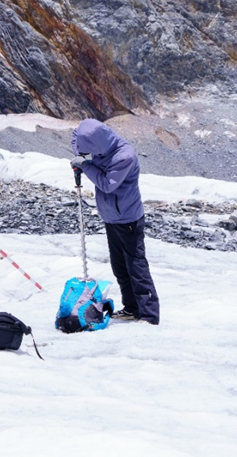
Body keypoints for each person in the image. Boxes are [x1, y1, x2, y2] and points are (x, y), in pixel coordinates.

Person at [70, 119, 160, 325]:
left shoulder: (124, 156)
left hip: (127, 218)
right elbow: (82, 145)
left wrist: (85, 165)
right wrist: (83, 160)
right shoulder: (103, 147)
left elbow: (107, 184)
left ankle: (149, 315)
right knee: (120, 267)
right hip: (113, 217)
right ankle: (131, 308)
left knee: (136, 267)